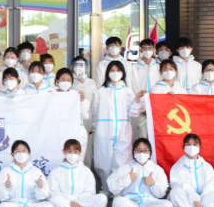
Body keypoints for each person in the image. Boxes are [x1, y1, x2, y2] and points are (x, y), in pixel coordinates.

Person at [92, 61, 142, 191]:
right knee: (103, 159)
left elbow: (133, 112)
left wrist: (137, 100)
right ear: (107, 73)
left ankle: (118, 189)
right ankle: (106, 188)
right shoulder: (101, 92)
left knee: (122, 160)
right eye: (112, 70)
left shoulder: (127, 91)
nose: (115, 73)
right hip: (104, 130)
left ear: (123, 73)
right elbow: (95, 111)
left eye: (118, 70)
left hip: (122, 130)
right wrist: (96, 126)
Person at [108, 138, 174, 207]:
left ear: (150, 152)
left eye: (145, 150)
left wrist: (153, 184)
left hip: (149, 203)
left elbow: (161, 194)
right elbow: (112, 187)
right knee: (117, 202)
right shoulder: (126, 167)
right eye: (138, 150)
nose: (141, 153)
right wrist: (127, 179)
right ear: (133, 152)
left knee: (168, 206)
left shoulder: (157, 170)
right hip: (130, 202)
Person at [0, 140, 54, 207]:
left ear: (28, 153)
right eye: (18, 151)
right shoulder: (6, 171)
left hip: (32, 204)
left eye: (24, 151)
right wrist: (7, 188)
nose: (21, 154)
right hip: (13, 204)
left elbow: (42, 196)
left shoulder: (36, 171)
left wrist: (39, 188)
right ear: (12, 154)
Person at [168, 134, 214, 207]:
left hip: (204, 202)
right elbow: (182, 185)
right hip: (187, 199)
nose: (191, 147)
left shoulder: (206, 166)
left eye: (195, 144)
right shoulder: (178, 166)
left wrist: (203, 203)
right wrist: (195, 201)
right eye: (188, 144)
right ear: (183, 147)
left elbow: (211, 187)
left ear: (200, 147)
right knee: (175, 193)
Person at [47, 139, 107, 207]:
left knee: (102, 198)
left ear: (80, 153)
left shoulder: (85, 171)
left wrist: (79, 204)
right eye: (69, 151)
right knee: (54, 200)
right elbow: (53, 192)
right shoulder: (56, 172)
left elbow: (90, 192)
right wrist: (70, 203)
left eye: (76, 152)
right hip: (65, 203)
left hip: (81, 204)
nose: (72, 154)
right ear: (64, 151)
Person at [128, 39, 160, 139]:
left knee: (154, 138)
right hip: (139, 109)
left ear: (154, 50)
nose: (147, 51)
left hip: (155, 109)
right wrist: (141, 108)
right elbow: (131, 88)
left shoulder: (158, 67)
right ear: (140, 50)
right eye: (145, 48)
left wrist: (153, 107)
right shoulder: (133, 67)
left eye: (150, 48)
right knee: (139, 137)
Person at [55, 68, 90, 158]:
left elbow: (84, 115)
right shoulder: (51, 95)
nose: (65, 82)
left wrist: (82, 101)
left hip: (75, 131)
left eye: (68, 80)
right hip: (58, 132)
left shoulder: (76, 95)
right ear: (57, 81)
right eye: (63, 79)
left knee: (76, 158)